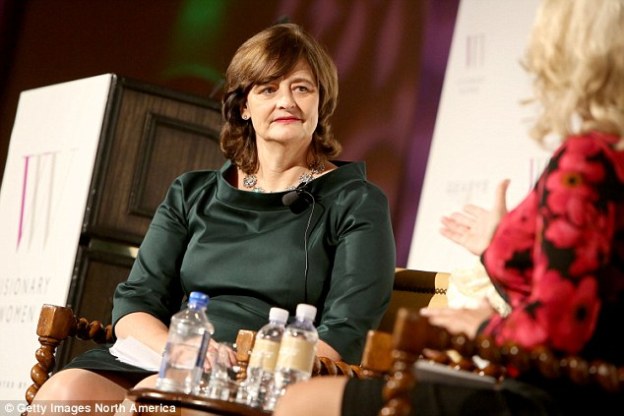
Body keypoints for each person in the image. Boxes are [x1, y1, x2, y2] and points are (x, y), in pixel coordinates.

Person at [273, 0, 624, 414]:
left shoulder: (587, 161)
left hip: (547, 400)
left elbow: (559, 334)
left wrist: (484, 327)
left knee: (303, 401)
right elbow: (583, 301)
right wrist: (497, 246)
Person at [30, 22, 395, 414]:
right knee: (64, 392)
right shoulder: (193, 192)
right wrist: (181, 351)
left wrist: (251, 369)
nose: (286, 101)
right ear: (244, 106)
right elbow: (136, 301)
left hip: (267, 374)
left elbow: (346, 329)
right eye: (268, 89)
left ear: (321, 102)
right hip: (170, 354)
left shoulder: (356, 201)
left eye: (302, 88)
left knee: (154, 398)